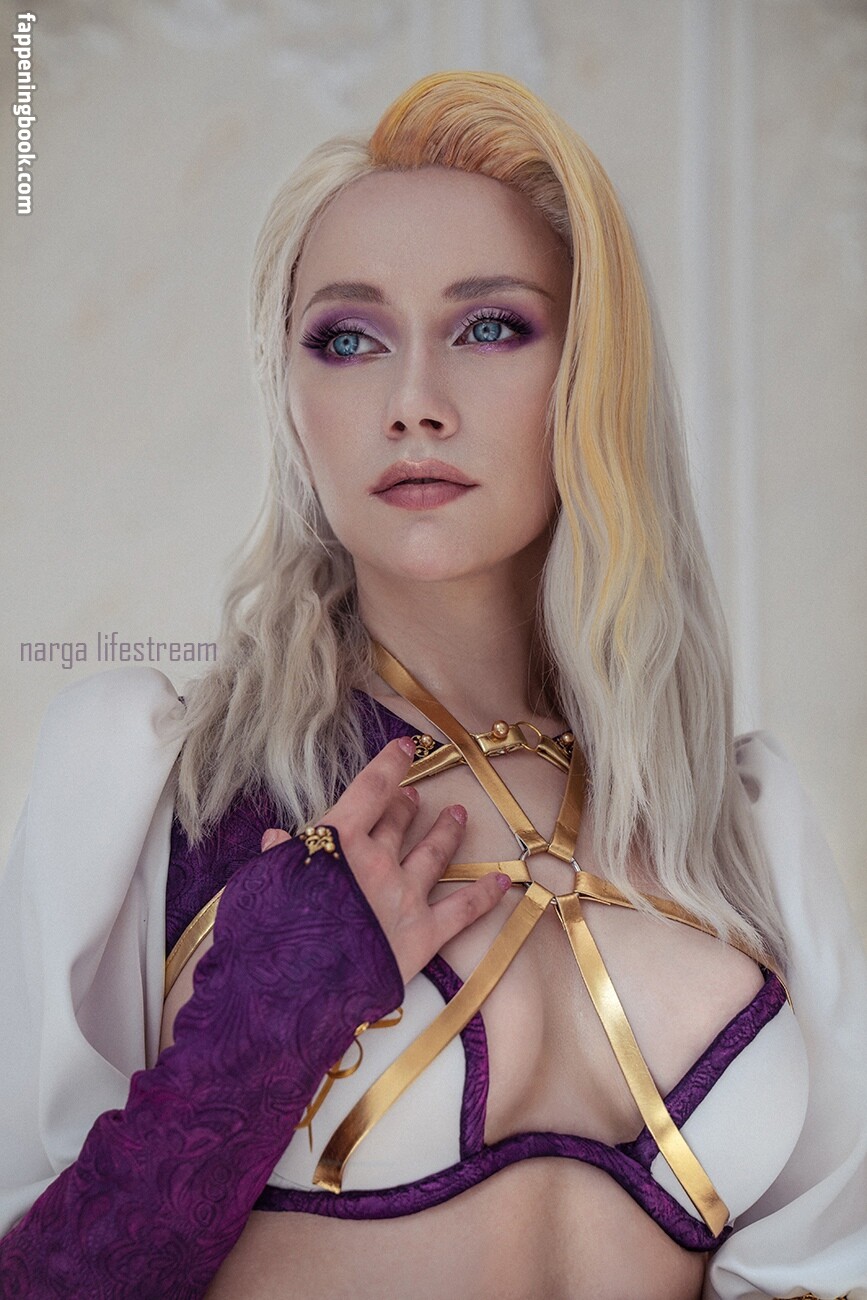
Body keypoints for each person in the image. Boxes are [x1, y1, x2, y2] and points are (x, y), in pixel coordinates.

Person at [0, 71, 864, 1300]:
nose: (413, 404)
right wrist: (255, 1036)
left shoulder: (742, 830)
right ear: (290, 393)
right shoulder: (160, 793)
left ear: (593, 374)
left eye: (491, 327)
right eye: (347, 340)